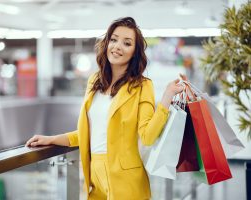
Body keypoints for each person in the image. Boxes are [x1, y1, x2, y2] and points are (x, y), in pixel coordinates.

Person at [26, 17, 185, 200]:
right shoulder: (94, 81)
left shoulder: (142, 86)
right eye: (114, 39)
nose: (117, 46)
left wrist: (167, 97)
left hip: (126, 181)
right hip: (95, 178)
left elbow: (148, 136)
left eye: (127, 43)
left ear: (135, 52)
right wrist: (51, 139)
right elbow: (88, 133)